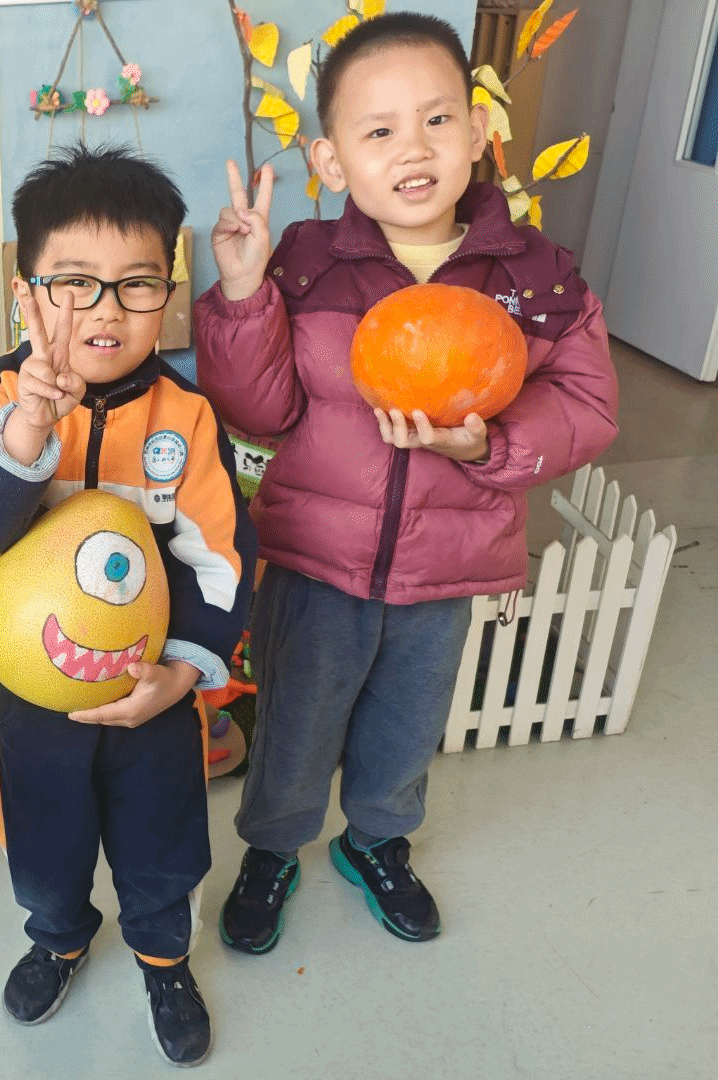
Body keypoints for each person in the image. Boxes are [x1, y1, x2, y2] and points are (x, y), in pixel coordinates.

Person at [195, 13, 617, 953]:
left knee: (407, 723)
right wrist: (244, 292)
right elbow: (256, 409)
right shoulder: (305, 263)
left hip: (447, 562)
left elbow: (588, 405)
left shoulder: (537, 276)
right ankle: (273, 848)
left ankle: (377, 842)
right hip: (316, 559)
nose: (413, 149)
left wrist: (489, 446)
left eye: (436, 120)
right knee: (297, 722)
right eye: (378, 129)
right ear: (331, 159)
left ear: (478, 131)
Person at [0, 146, 257, 1068]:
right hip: (32, 696)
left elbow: (219, 557)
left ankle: (164, 957)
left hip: (150, 691)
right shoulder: (0, 396)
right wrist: (28, 429)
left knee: (164, 842)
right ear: (27, 293)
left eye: (137, 284)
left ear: (169, 291)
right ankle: (58, 938)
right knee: (44, 842)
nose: (107, 311)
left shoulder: (185, 415)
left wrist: (184, 671)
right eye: (75, 283)